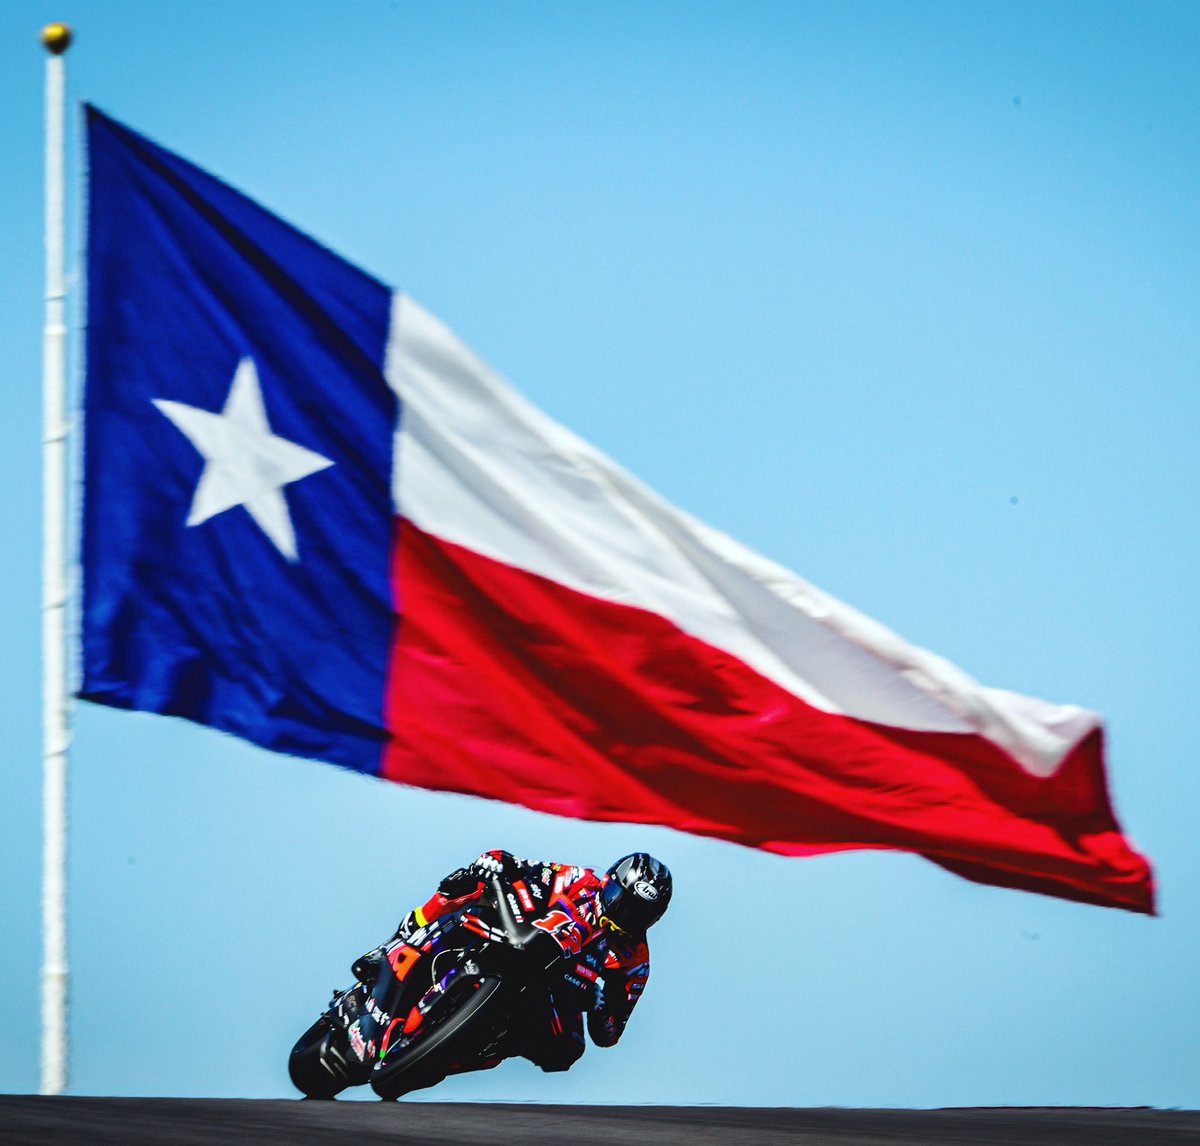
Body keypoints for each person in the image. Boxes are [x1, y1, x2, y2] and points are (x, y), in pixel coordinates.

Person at [353, 849, 672, 1073]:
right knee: (464, 889)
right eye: (622, 900)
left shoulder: (636, 961)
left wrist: (601, 1005)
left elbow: (610, 1034)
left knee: (567, 1051)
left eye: (639, 913)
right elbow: (517, 864)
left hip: (556, 988)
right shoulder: (577, 879)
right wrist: (490, 865)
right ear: (611, 882)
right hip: (519, 934)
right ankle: (390, 947)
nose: (625, 914)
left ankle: (458, 1052)